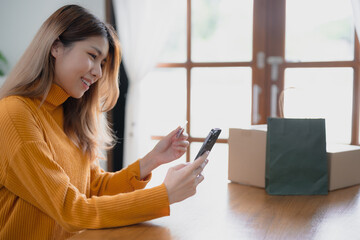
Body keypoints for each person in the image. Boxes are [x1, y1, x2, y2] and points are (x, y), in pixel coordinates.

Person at [0, 4, 209, 240]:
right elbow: (71, 210)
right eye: (92, 56)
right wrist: (165, 195)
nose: (99, 72)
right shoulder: (15, 114)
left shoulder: (67, 114)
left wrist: (152, 160)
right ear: (56, 47)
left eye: (103, 63)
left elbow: (94, 187)